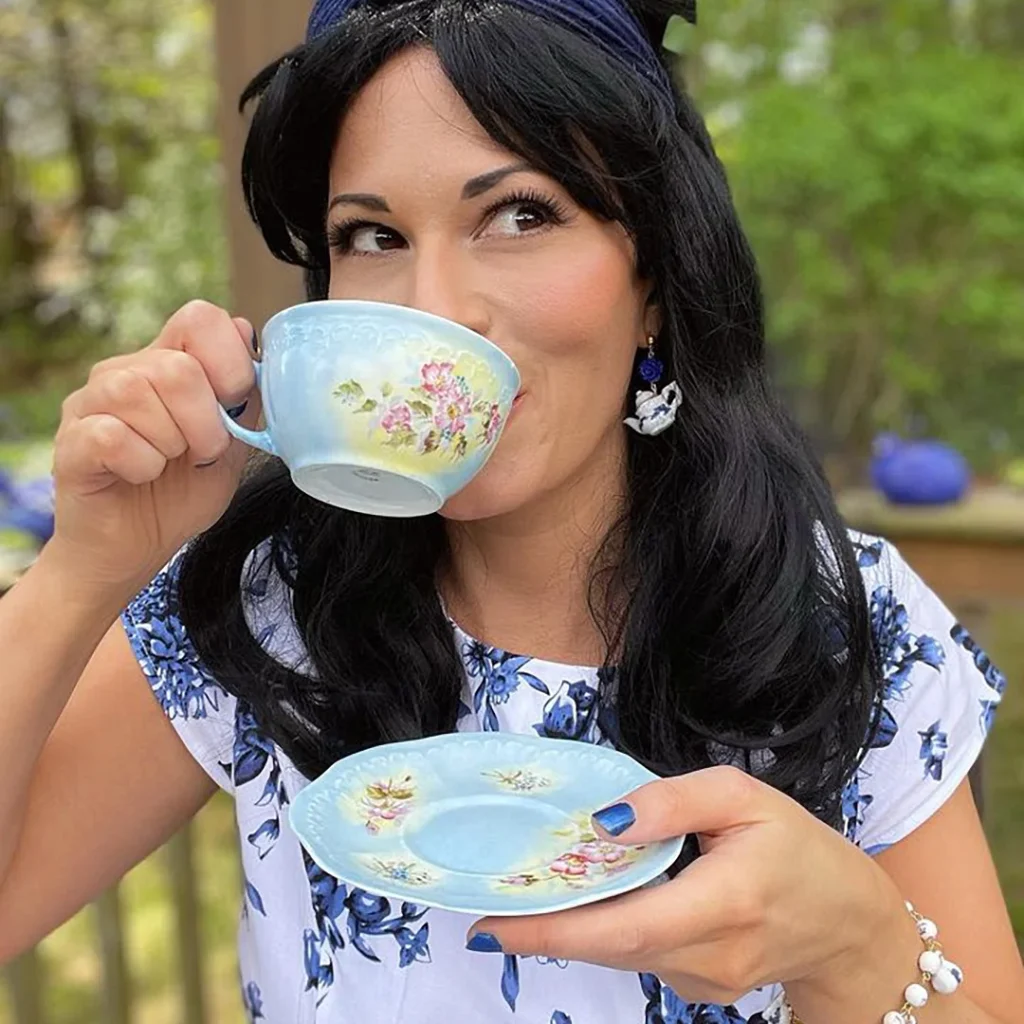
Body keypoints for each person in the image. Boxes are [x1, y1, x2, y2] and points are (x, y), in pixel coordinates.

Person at [0, 1, 1020, 1021]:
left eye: (520, 213)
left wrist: (854, 947)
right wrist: (82, 571)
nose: (433, 307)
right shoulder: (269, 596)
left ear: (653, 277)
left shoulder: (852, 621)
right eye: (373, 233)